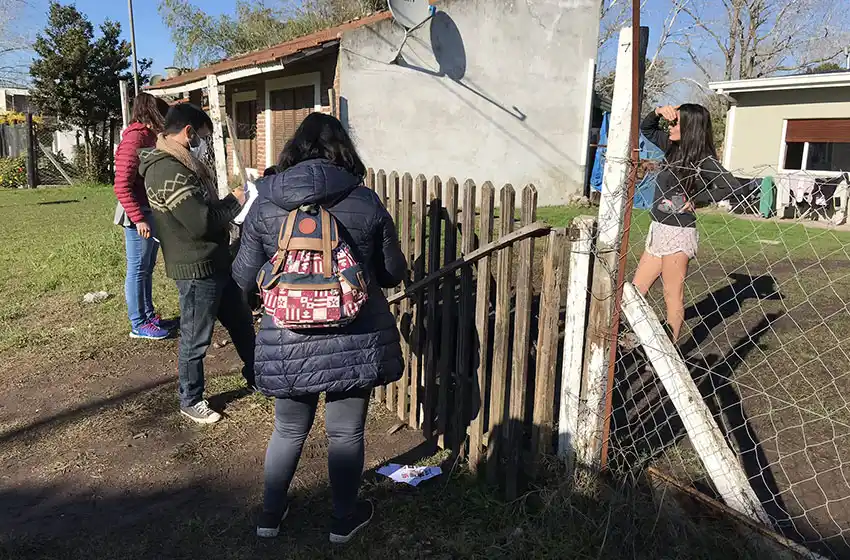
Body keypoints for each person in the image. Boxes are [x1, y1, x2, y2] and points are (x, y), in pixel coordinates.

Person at [231, 113, 406, 544]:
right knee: (346, 432)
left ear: (293, 150)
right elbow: (391, 273)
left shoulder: (266, 203)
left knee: (288, 429)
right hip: (355, 337)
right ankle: (343, 519)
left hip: (287, 337)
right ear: (343, 150)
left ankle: (270, 516)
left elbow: (241, 275)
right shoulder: (365, 201)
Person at [138, 103, 256, 424]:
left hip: (214, 262)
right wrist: (237, 201)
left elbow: (203, 211)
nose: (203, 144)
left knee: (242, 322)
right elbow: (201, 222)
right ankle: (190, 399)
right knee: (195, 337)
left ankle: (257, 374)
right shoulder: (168, 171)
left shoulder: (182, 163)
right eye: (202, 137)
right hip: (195, 268)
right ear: (188, 132)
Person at [633, 104, 738, 342]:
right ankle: (638, 337)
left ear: (691, 127)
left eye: (677, 122)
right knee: (635, 291)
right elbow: (647, 129)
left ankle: (668, 353)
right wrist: (660, 112)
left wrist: (697, 200)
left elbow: (731, 185)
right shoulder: (672, 146)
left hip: (679, 233)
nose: (671, 126)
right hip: (658, 228)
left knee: (671, 294)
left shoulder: (704, 159)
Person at [113, 92, 175, 339]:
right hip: (137, 215)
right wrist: (138, 218)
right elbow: (121, 184)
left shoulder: (149, 136)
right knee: (138, 269)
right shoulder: (135, 138)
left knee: (147, 267)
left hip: (149, 212)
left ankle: (148, 316)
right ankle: (138, 323)